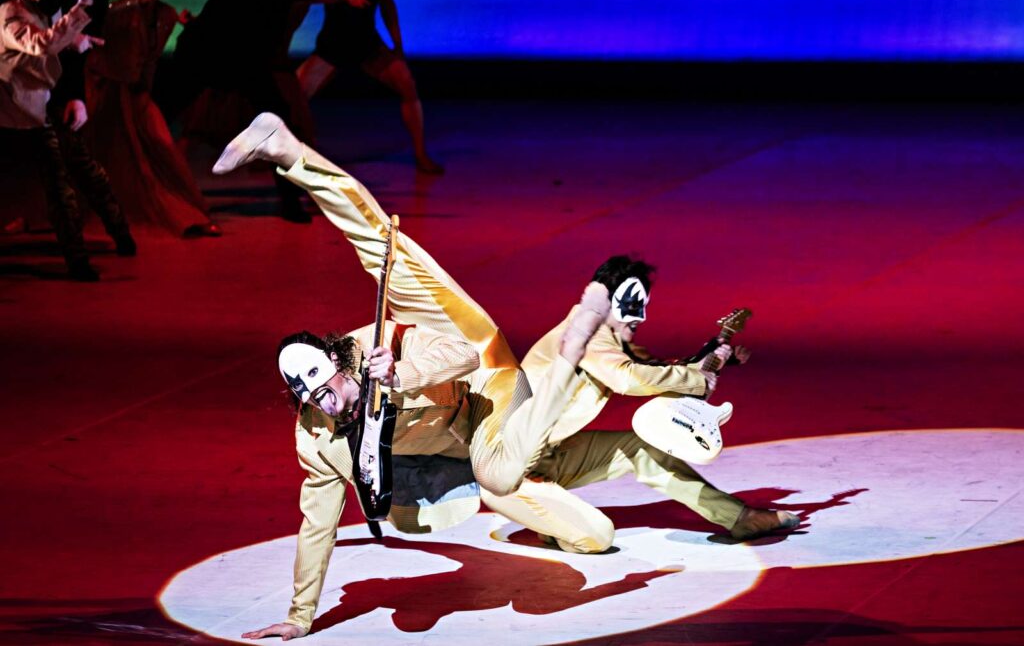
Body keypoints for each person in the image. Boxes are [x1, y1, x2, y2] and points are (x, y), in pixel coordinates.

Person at [211, 112, 610, 640]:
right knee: (592, 535)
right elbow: (318, 524)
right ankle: (547, 467)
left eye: (323, 386)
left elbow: (466, 355)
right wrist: (300, 616)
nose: (322, 403)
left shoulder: (380, 344)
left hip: (475, 365)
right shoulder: (317, 438)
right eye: (308, 398)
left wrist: (400, 371)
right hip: (467, 451)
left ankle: (288, 150)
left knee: (385, 252)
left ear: (336, 363)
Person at [482, 256, 800, 553]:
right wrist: (698, 379)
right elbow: (628, 378)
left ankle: (738, 517)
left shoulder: (610, 340)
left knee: (641, 447)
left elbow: (658, 369)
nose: (640, 318)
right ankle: (553, 520)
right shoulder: (582, 332)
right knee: (598, 537)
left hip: (549, 459)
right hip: (509, 473)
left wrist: (713, 360)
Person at [164, 0, 394, 222]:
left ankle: (289, 201)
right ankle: (148, 181)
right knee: (164, 115)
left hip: (245, 63)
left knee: (278, 126)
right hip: (205, 56)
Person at [0, 0, 134, 281]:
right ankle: (78, 260)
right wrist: (82, 5)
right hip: (16, 114)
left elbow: (61, 43)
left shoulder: (48, 12)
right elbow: (42, 44)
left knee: (87, 176)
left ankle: (120, 236)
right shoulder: (9, 15)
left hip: (44, 111)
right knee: (61, 189)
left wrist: (77, 46)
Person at [297, 0, 442, 174]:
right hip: (334, 44)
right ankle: (279, 158)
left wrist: (397, 44)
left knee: (407, 85)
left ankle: (421, 154)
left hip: (366, 42)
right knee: (294, 97)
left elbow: (387, 3)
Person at [84, 0, 220, 237]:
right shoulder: (119, 11)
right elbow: (105, 36)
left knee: (161, 148)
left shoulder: (167, 14)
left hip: (139, 93)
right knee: (113, 157)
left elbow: (156, 57)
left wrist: (190, 27)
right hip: (111, 92)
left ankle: (189, 211)